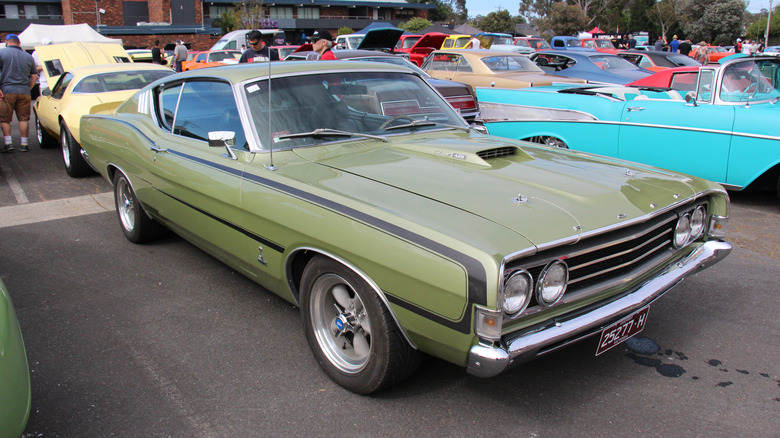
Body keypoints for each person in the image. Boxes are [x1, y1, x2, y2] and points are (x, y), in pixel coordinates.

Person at [0, 34, 38, 153]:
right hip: (24, 91)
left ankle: (8, 143)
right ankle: (24, 144)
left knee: (5, 119)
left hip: (6, 91)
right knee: (23, 118)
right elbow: (34, 75)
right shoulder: (28, 56)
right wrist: (28, 87)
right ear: (19, 43)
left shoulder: (1, 53)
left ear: (6, 42)